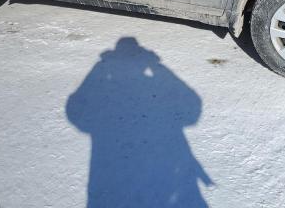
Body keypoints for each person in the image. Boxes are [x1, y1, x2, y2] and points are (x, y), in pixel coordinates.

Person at [66, 37, 212, 207]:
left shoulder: (106, 90)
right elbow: (193, 108)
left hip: (113, 176)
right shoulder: (150, 86)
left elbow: (75, 110)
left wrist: (98, 68)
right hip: (167, 180)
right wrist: (158, 67)